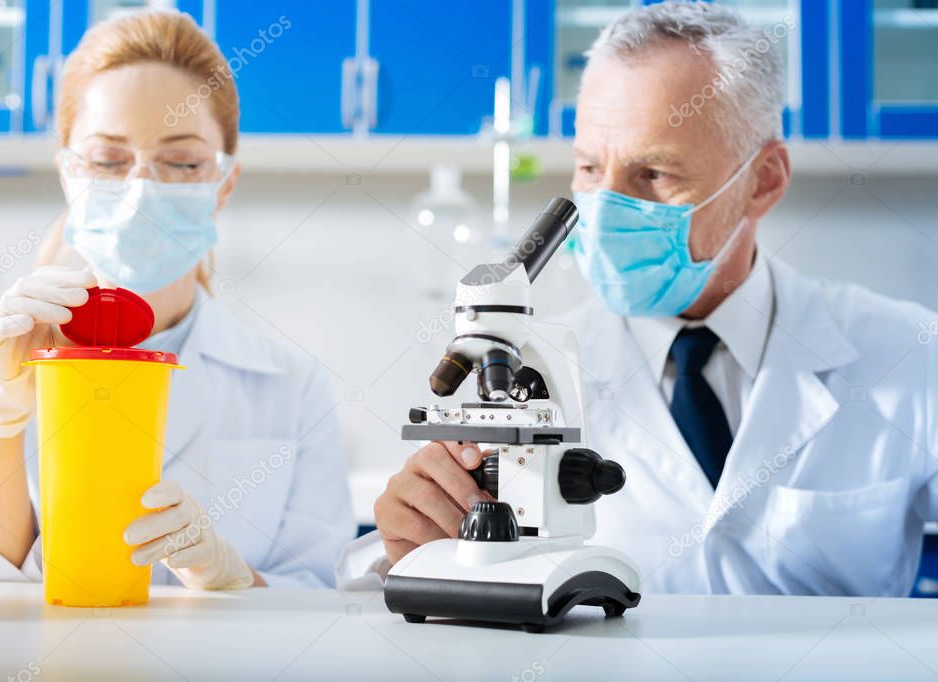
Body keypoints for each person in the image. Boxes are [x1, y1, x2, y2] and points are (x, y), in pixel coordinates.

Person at [338, 1, 938, 596]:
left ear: (764, 180)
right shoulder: (528, 379)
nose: (604, 207)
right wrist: (411, 543)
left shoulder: (906, 354)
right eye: (590, 168)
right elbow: (405, 587)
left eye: (654, 173)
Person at [0, 10, 354, 588]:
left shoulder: (291, 385)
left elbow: (320, 602)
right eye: (108, 160)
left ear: (222, 183)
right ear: (70, 174)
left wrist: (232, 579)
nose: (141, 188)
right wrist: (1, 419)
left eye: (182, 162)